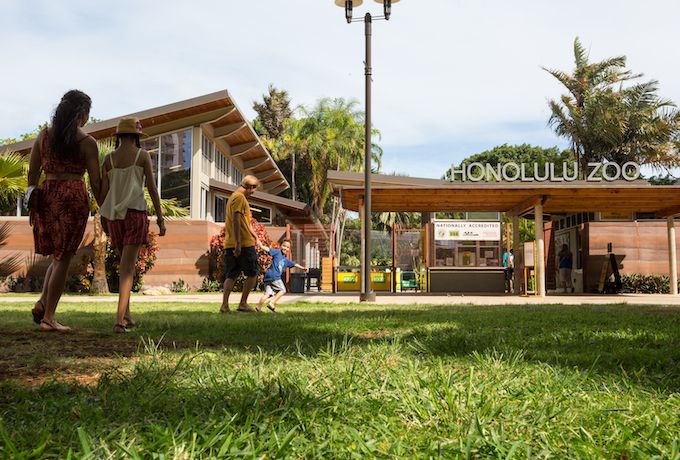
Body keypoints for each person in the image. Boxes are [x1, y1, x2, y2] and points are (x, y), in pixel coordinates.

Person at [26, 90, 101, 332]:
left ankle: (42, 303)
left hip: (47, 195)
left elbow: (32, 173)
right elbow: (96, 181)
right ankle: (49, 317)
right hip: (73, 198)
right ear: (82, 114)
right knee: (64, 256)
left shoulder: (44, 136)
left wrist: (32, 202)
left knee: (58, 256)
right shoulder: (87, 142)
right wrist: (105, 206)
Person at [99, 117, 166, 333]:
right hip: (135, 214)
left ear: (119, 136)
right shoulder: (142, 155)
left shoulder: (108, 159)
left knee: (124, 265)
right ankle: (119, 320)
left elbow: (104, 194)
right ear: (136, 136)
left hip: (114, 218)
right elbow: (152, 189)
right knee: (127, 268)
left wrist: (103, 218)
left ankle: (126, 315)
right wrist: (160, 218)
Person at [219, 175, 261, 313]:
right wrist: (238, 243)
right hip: (242, 243)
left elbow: (245, 222)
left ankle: (225, 306)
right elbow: (236, 220)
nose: (254, 192)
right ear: (250, 187)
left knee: (231, 274)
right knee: (253, 272)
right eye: (254, 189)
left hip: (231, 243)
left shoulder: (233, 197)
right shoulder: (239, 198)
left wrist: (256, 237)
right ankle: (243, 303)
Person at [257, 239, 308, 312]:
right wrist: (262, 246)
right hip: (274, 276)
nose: (285, 248)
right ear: (280, 246)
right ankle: (272, 303)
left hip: (268, 276)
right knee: (283, 290)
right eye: (284, 246)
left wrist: (302, 268)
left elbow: (294, 264)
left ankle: (258, 307)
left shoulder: (285, 260)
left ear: (289, 249)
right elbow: (269, 249)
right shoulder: (277, 252)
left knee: (267, 294)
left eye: (287, 247)